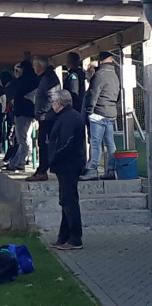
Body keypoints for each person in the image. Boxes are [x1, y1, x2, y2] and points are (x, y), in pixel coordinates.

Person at [49, 90, 85, 250]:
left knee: (69, 200)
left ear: (60, 103)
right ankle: (64, 236)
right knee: (66, 200)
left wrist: (54, 158)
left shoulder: (69, 118)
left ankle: (75, 238)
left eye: (53, 102)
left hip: (68, 164)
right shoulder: (68, 116)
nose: (52, 105)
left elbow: (66, 142)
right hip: (68, 163)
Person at [81, 51, 120, 181]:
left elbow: (93, 94)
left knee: (95, 143)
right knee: (110, 144)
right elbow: (118, 95)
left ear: (101, 61)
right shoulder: (115, 75)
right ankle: (111, 170)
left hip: (98, 113)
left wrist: (89, 111)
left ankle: (92, 170)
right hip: (111, 113)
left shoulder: (99, 75)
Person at [25, 56, 60, 182]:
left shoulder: (48, 78)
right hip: (45, 116)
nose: (34, 68)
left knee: (45, 144)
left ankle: (43, 171)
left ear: (40, 66)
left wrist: (45, 112)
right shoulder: (47, 77)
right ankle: (43, 169)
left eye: (35, 65)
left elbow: (53, 97)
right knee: (44, 144)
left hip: (47, 117)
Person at [8, 61, 39, 171]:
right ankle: (19, 160)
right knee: (26, 138)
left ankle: (20, 162)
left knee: (22, 139)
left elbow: (14, 91)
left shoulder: (22, 81)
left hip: (21, 112)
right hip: (31, 112)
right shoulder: (36, 80)